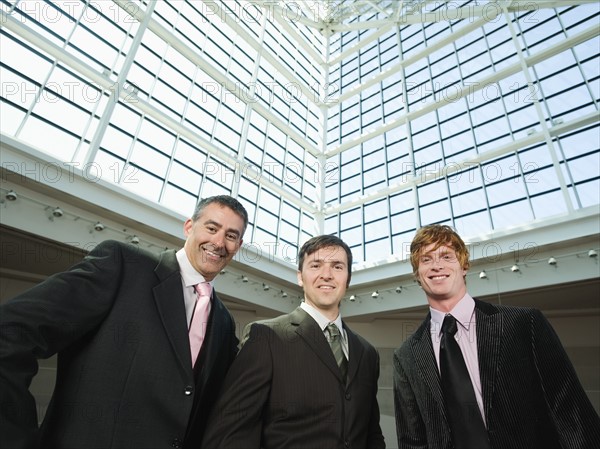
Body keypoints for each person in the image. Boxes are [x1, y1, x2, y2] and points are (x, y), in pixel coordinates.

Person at [0, 195, 248, 449]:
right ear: (189, 226)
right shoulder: (123, 266)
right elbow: (11, 330)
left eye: (230, 236)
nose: (218, 242)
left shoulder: (224, 323)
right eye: (211, 228)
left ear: (237, 246)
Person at [393, 224, 600, 449]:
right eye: (426, 259)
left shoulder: (523, 324)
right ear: (417, 273)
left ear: (464, 266)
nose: (437, 265)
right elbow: (413, 441)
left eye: (446, 256)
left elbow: (570, 411)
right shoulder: (406, 355)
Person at [201, 234, 386, 449]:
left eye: (337, 266)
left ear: (348, 278)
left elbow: (372, 432)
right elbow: (229, 431)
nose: (326, 275)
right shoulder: (266, 337)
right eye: (316, 265)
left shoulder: (367, 353)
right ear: (300, 276)